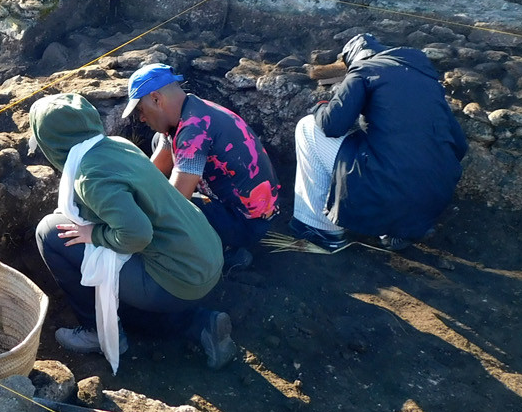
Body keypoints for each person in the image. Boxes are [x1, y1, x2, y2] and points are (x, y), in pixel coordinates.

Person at [30, 93, 235, 369]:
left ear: (51, 143)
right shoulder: (117, 145)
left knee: (50, 233)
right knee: (120, 283)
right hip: (206, 256)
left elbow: (137, 235)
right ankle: (201, 324)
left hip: (179, 280)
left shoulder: (89, 177)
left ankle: (95, 330)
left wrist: (95, 235)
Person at [292, 34, 466, 252]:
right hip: (432, 202)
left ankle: (321, 228)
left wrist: (320, 107)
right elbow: (460, 145)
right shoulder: (427, 81)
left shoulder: (364, 70)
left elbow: (332, 125)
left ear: (352, 58)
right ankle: (399, 230)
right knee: (392, 150)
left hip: (389, 192)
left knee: (308, 127)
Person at [121, 63, 280, 271]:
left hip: (247, 223)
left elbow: (174, 205)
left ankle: (225, 251)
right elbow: (155, 170)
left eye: (141, 110)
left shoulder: (194, 131)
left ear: (156, 99)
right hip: (250, 206)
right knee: (158, 141)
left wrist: (129, 221)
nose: (141, 118)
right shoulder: (191, 108)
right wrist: (132, 192)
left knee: (178, 214)